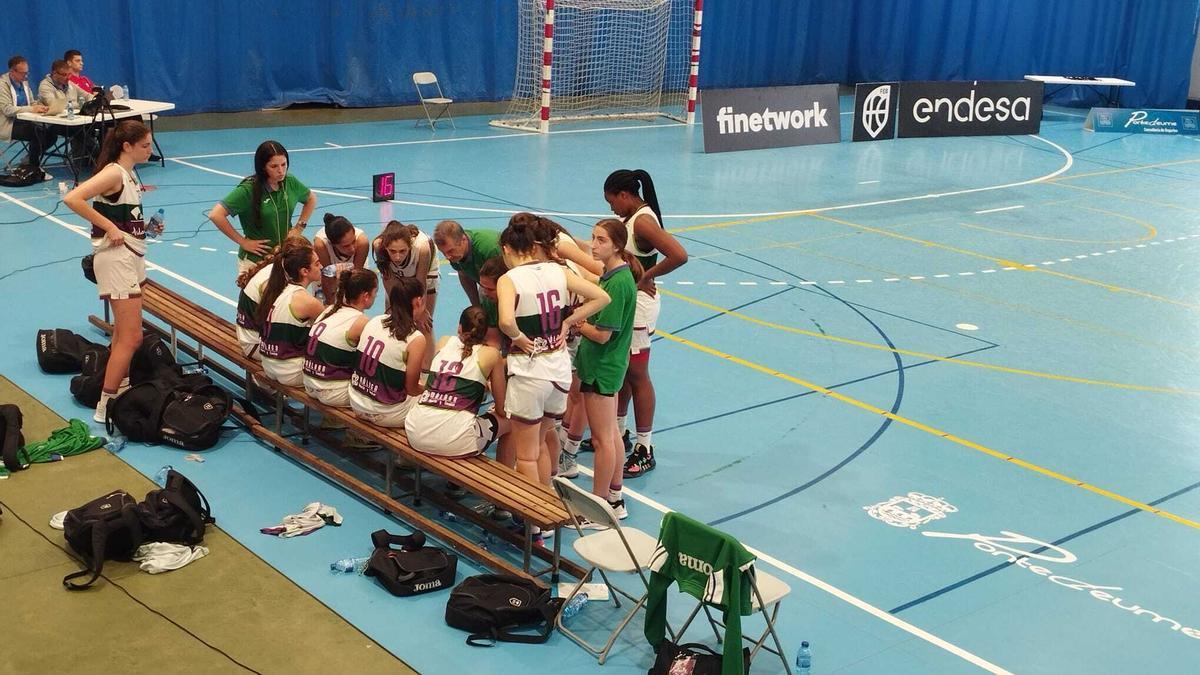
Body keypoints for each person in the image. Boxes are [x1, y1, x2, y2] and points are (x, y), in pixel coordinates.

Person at [496, 216, 609, 488]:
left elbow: (506, 321)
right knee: (544, 442)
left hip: (529, 371)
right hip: (558, 371)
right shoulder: (558, 271)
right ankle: (546, 512)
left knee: (526, 456)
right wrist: (569, 321)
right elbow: (602, 297)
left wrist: (519, 338)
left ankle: (531, 524)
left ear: (508, 249)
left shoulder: (509, 279)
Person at [62, 120, 156, 422]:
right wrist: (110, 226)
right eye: (144, 145)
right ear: (126, 146)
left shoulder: (128, 175)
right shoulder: (114, 172)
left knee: (124, 336)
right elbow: (72, 198)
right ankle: (106, 404)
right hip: (116, 260)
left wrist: (149, 229)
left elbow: (126, 217)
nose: (150, 150)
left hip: (130, 256)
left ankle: (120, 388)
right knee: (132, 339)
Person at [599, 169, 689, 478]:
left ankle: (644, 448)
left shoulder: (643, 221)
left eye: (612, 202)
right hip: (629, 302)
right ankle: (619, 431)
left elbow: (679, 255)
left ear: (624, 195)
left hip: (640, 307)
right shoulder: (633, 217)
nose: (611, 209)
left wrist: (645, 277)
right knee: (623, 372)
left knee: (637, 376)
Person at [573, 218, 639, 525]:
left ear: (617, 245)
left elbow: (603, 334)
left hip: (603, 367)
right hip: (605, 366)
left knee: (602, 439)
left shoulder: (618, 283)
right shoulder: (614, 275)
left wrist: (576, 323)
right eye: (593, 238)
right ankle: (614, 497)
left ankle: (597, 508)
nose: (594, 245)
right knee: (611, 433)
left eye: (600, 240)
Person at [406, 306, 510, 458]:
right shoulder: (492, 355)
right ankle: (505, 478)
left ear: (459, 327)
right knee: (511, 422)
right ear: (485, 332)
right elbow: (501, 409)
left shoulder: (444, 342)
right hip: (455, 442)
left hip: (415, 431)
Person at [208, 140, 318, 275]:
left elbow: (311, 198)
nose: (281, 171)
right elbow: (215, 215)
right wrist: (243, 242)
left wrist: (299, 227)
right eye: (274, 166)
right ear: (263, 167)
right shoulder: (248, 190)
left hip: (284, 258)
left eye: (284, 164)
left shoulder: (290, 182)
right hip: (256, 261)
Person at [348, 277, 428, 428]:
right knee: (433, 399)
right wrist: (428, 389)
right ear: (418, 301)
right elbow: (412, 389)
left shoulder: (375, 320)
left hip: (357, 403)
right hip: (387, 413)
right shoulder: (415, 339)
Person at [303, 268, 377, 407]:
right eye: (375, 292)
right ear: (366, 296)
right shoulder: (361, 322)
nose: (375, 296)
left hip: (309, 383)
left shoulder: (328, 310)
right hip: (333, 392)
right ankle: (350, 427)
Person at [257, 244, 325, 386]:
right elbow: (336, 326)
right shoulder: (307, 301)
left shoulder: (277, 289)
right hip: (291, 371)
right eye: (317, 264)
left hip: (269, 364)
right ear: (304, 271)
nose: (322, 266)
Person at [235, 236, 310, 359]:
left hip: (250, 338)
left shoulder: (274, 269)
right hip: (256, 345)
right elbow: (278, 323)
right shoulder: (274, 281)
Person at [373, 220, 439, 325]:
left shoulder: (422, 247)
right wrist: (395, 306)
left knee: (422, 321)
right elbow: (388, 278)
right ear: (385, 248)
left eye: (403, 251)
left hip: (426, 272)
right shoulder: (378, 246)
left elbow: (421, 282)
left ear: (410, 246)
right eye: (392, 251)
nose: (397, 257)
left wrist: (421, 308)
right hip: (395, 274)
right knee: (393, 317)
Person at [1, 55, 51, 178]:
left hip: (25, 121)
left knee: (51, 132)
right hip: (7, 124)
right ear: (12, 71)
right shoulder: (2, 86)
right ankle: (33, 166)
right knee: (36, 133)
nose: (26, 76)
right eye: (23, 73)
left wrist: (40, 107)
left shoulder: (24, 83)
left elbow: (32, 102)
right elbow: (7, 110)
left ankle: (29, 159)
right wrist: (32, 109)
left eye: (27, 73)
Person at [433, 220, 501, 306]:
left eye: (450, 251)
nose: (447, 257)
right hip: (488, 284)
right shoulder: (456, 254)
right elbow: (464, 275)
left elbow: (508, 281)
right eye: (443, 252)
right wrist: (476, 306)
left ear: (463, 239)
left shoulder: (489, 250)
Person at [312, 212, 369, 301]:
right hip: (327, 276)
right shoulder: (321, 245)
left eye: (353, 241)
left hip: (353, 272)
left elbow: (355, 278)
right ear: (332, 244)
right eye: (345, 246)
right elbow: (327, 279)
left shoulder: (362, 242)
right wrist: (330, 305)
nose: (352, 249)